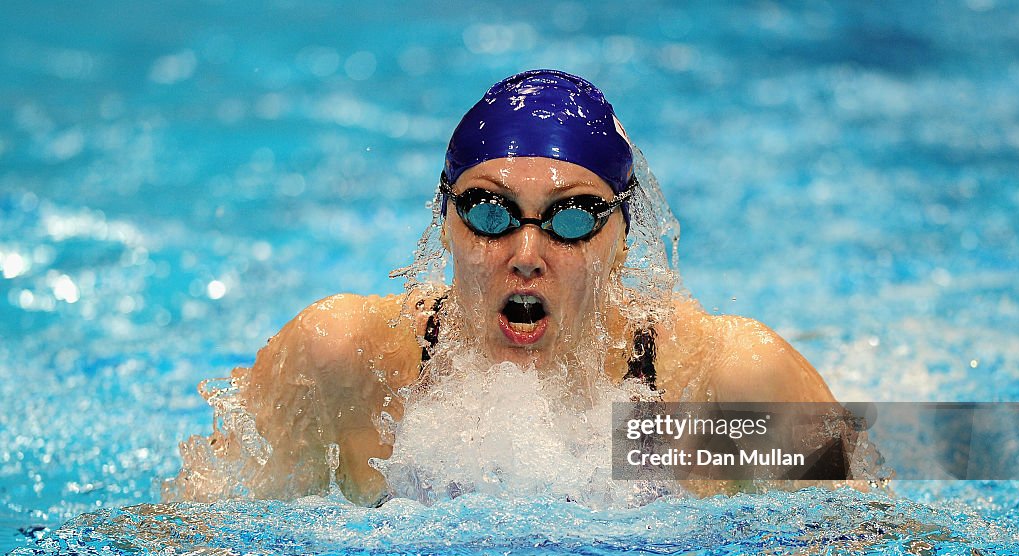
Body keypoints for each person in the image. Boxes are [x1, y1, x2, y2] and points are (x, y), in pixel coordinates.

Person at [168, 70, 851, 507]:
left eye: (573, 218)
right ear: (443, 223)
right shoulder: (347, 361)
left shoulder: (711, 383)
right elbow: (191, 540)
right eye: (489, 212)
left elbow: (874, 543)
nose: (526, 255)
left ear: (621, 240)